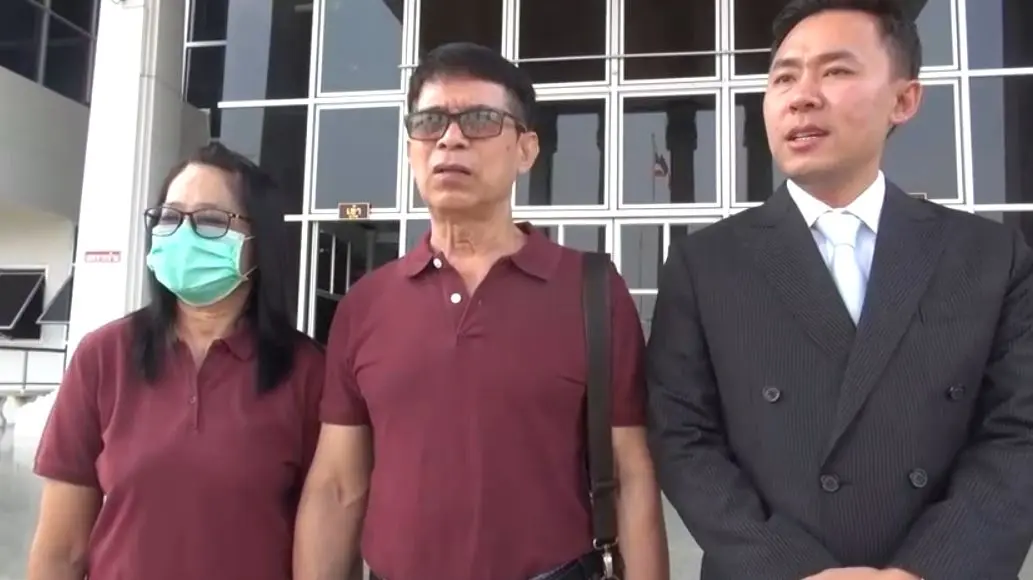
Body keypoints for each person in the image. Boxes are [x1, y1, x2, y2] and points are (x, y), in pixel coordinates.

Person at [647, 0, 1033, 579]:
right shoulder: (704, 264)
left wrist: (925, 569)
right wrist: (796, 570)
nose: (801, 96)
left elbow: (1019, 433)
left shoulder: (990, 256)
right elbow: (683, 437)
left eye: (836, 71)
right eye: (784, 77)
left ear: (904, 99)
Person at [293, 42, 668, 580]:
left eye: (480, 120)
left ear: (526, 150)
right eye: (430, 122)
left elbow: (630, 474)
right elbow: (336, 486)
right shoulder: (367, 304)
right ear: (411, 148)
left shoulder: (593, 291)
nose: (450, 138)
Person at [27, 142, 327, 580]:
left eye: (210, 220)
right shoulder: (103, 357)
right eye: (169, 218)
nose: (183, 235)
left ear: (259, 242)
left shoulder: (308, 372)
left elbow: (327, 534)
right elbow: (61, 549)